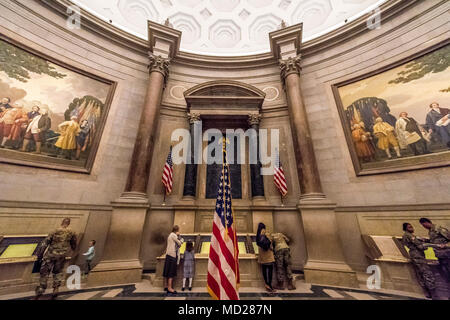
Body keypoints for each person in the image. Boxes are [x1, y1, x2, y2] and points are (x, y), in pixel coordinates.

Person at [34, 218, 77, 300]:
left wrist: (40, 255)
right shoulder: (72, 232)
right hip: (61, 256)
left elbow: (45, 243)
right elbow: (74, 244)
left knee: (44, 273)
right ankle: (55, 289)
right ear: (69, 223)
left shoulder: (54, 231)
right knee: (58, 272)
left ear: (62, 222)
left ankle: (40, 292)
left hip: (50, 255)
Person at [401, 223, 436, 299]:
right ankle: (432, 292)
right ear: (406, 228)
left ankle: (427, 292)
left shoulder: (408, 236)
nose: (412, 228)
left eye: (412, 226)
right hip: (418, 256)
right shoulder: (410, 236)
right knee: (427, 273)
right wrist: (432, 245)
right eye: (410, 227)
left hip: (415, 255)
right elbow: (420, 246)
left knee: (420, 274)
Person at [419, 218, 450, 282]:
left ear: (427, 222)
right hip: (440, 255)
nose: (424, 227)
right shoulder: (430, 231)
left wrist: (445, 245)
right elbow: (434, 241)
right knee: (445, 270)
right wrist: (426, 240)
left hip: (446, 254)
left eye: (424, 225)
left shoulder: (439, 229)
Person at [163, 225, 184, 294]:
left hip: (168, 255)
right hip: (172, 255)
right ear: (177, 230)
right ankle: (170, 288)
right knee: (170, 272)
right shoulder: (173, 235)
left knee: (167, 271)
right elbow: (180, 243)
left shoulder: (170, 235)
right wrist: (181, 238)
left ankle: (165, 286)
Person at [256, 223, 276, 293]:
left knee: (264, 270)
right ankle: (269, 285)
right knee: (270, 270)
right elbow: (270, 243)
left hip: (262, 255)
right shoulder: (266, 233)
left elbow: (258, 243)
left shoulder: (258, 234)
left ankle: (266, 284)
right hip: (268, 254)